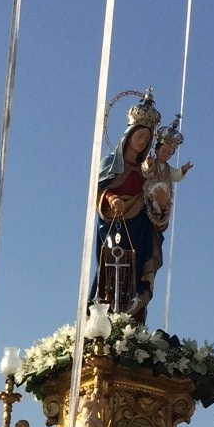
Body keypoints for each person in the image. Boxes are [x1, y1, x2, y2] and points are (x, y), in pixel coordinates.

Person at [94, 94, 162, 319]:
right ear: (129, 136)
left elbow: (157, 210)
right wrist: (112, 199)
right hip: (113, 225)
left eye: (146, 139)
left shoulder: (147, 172)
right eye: (140, 136)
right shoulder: (110, 164)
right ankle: (102, 323)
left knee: (135, 277)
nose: (142, 141)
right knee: (111, 272)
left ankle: (132, 326)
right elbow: (99, 190)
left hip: (140, 230)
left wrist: (161, 205)